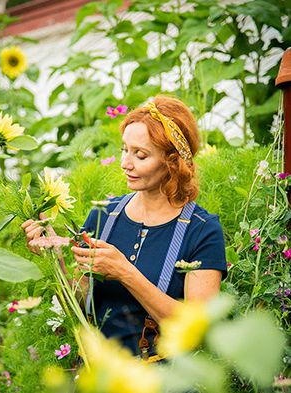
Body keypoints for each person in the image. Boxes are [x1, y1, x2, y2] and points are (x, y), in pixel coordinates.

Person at [23, 95, 226, 360]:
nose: (125, 163)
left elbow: (197, 330)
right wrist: (57, 258)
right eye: (124, 149)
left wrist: (125, 272)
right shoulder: (104, 215)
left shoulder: (202, 231)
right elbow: (82, 303)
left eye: (140, 155)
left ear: (172, 162)